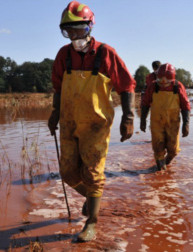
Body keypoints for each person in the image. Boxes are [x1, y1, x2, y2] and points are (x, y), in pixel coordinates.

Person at [47, 1, 136, 242]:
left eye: (79, 30)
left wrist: (128, 117)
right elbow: (58, 87)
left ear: (90, 27)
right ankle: (92, 197)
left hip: (96, 125)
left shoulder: (106, 53)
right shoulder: (63, 56)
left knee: (93, 173)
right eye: (69, 31)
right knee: (67, 173)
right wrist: (55, 113)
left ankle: (91, 222)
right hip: (68, 122)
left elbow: (126, 86)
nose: (75, 35)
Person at [140, 63, 190, 170]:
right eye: (160, 82)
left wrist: (186, 124)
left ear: (171, 79)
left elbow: (185, 106)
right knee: (158, 148)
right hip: (156, 122)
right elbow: (145, 104)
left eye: (166, 82)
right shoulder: (153, 86)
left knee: (173, 150)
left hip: (173, 121)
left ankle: (165, 164)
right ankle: (161, 171)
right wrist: (143, 120)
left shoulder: (177, 86)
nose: (163, 85)